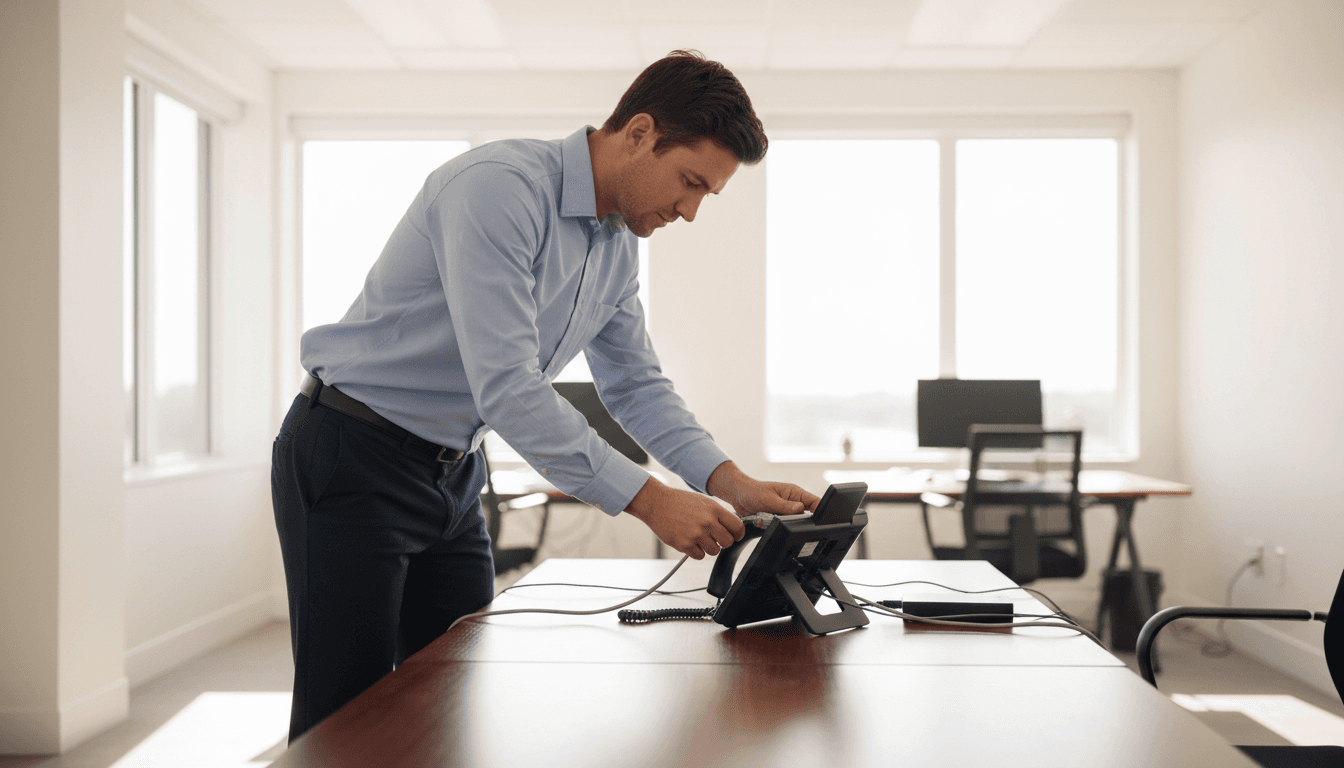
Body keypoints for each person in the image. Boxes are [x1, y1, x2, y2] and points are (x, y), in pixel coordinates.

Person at [271, 50, 820, 742]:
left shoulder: (618, 244)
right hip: (352, 452)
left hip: (452, 470)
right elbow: (507, 386)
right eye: (688, 183)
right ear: (641, 132)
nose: (688, 211)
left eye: (705, 195)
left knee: (447, 690)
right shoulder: (498, 189)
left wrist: (727, 480)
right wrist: (650, 500)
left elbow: (634, 383)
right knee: (343, 716)